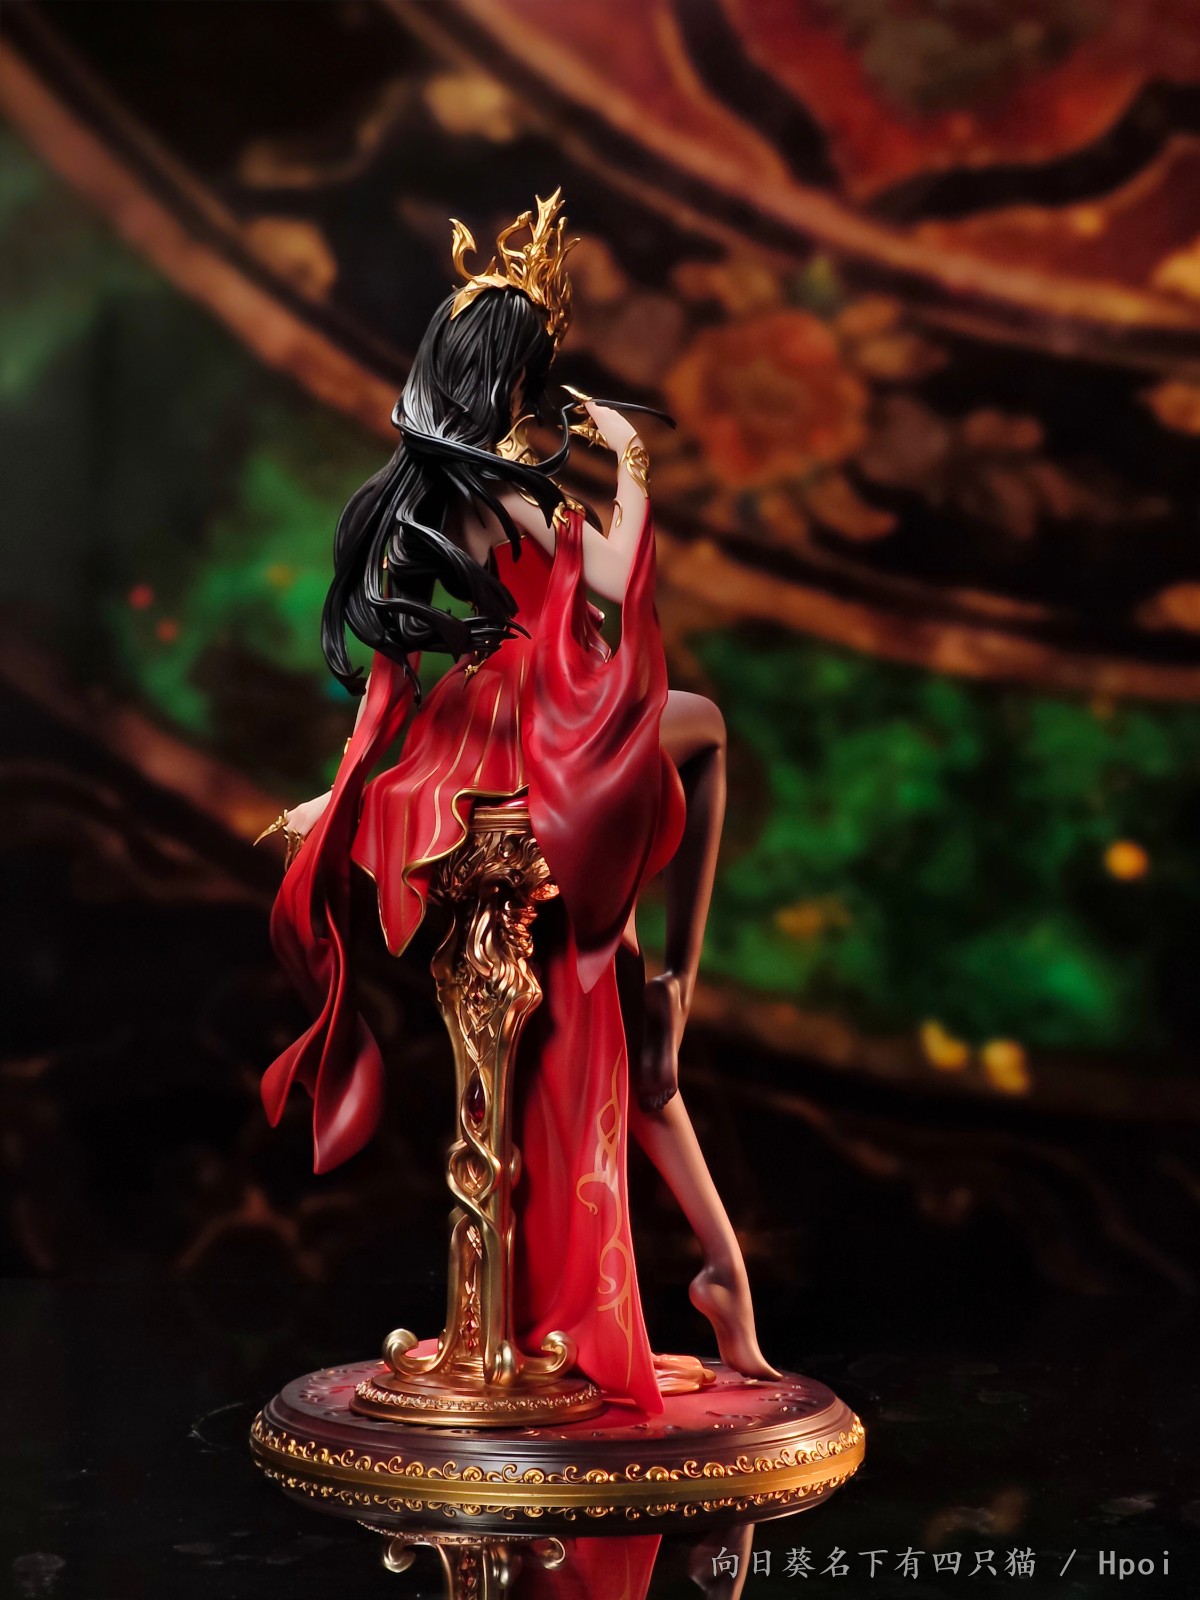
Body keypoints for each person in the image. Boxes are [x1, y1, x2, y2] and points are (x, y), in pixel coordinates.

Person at [257, 192, 778, 1414]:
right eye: (536, 374)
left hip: (522, 703)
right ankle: (686, 980)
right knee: (704, 735)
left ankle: (718, 1254)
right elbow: (613, 578)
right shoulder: (508, 492)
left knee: (621, 1011)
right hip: (543, 717)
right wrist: (631, 459)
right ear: (506, 377)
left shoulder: (456, 485)